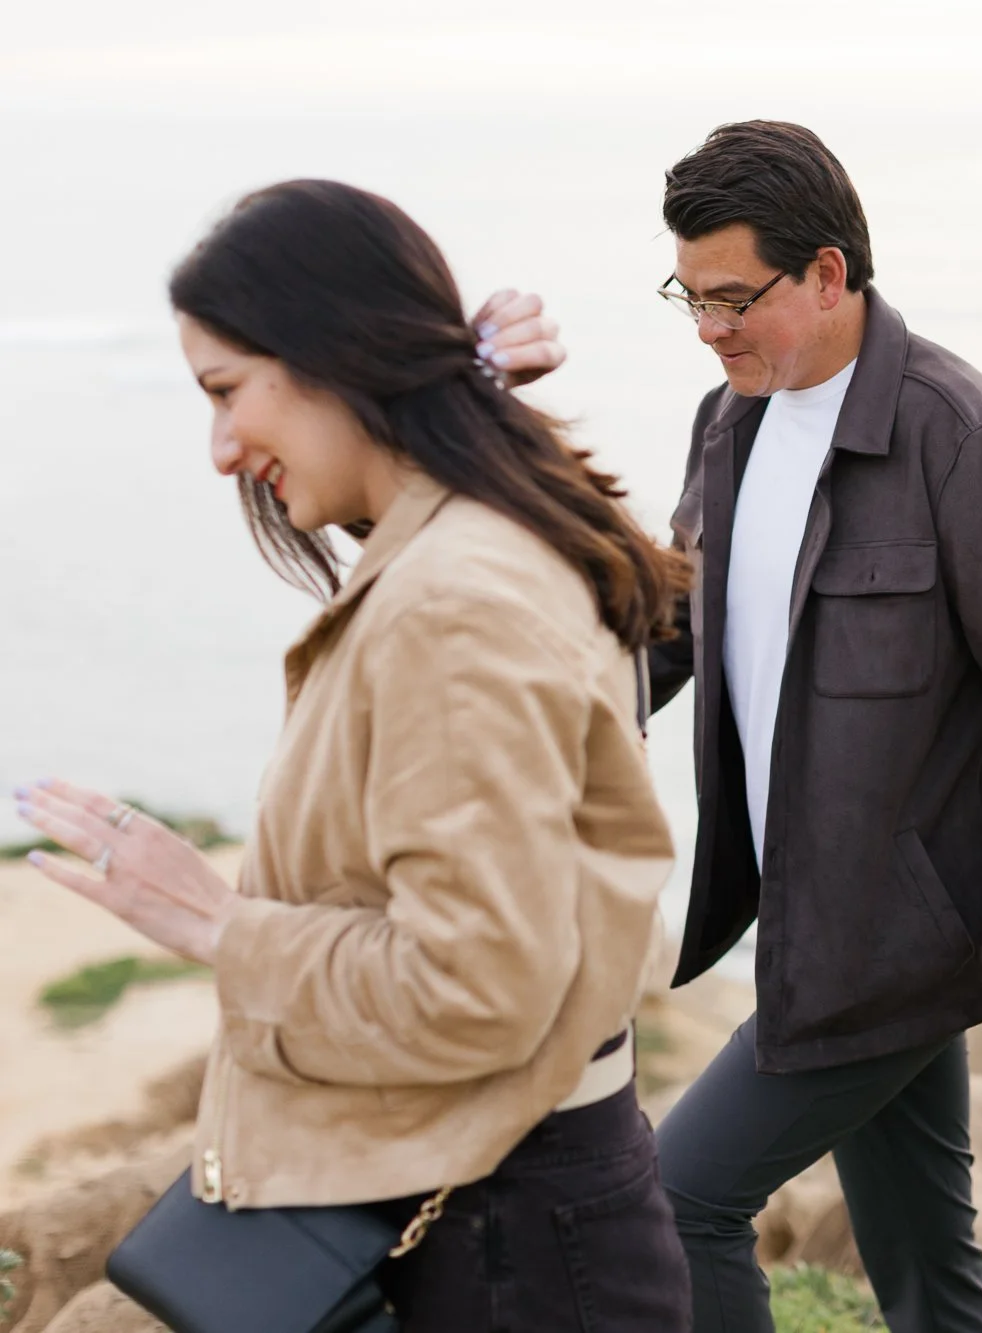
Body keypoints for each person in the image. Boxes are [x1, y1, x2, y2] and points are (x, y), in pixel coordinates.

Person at [14, 179, 694, 1332]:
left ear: (338, 355)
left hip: (506, 1241)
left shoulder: (456, 597)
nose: (222, 449)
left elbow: (475, 986)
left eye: (229, 391)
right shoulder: (488, 537)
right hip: (517, 1211)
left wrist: (220, 927)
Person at [638, 120, 982, 1332]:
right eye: (688, 299)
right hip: (806, 925)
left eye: (734, 298)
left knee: (675, 1200)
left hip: (891, 949)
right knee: (924, 1269)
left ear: (828, 274)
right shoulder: (727, 422)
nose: (710, 330)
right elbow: (675, 632)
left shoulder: (966, 441)